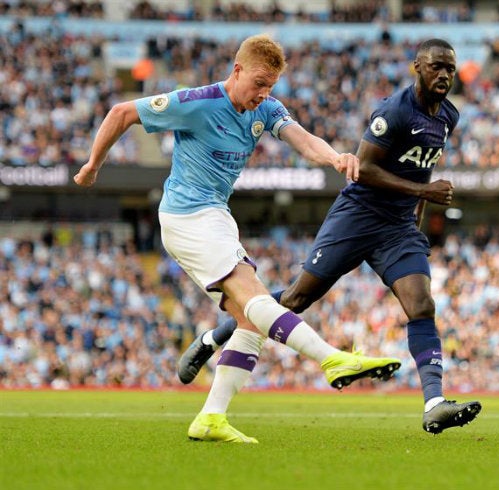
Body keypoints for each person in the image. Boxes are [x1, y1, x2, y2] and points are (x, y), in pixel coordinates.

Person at [74, 34, 401, 443]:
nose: (263, 94)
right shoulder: (197, 102)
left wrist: (334, 157)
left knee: (250, 319)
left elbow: (302, 138)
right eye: (259, 83)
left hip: (216, 217)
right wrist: (92, 165)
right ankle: (331, 358)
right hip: (188, 217)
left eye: (271, 87)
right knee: (255, 297)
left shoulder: (265, 108)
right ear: (237, 70)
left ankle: (211, 418)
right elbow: (122, 112)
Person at [179, 38, 482, 434]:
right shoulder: (393, 111)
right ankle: (215, 335)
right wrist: (424, 193)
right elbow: (365, 170)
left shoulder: (448, 116)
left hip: (398, 228)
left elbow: (420, 172)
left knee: (422, 305)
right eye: (435, 66)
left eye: (450, 69)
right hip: (357, 216)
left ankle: (434, 403)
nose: (444, 74)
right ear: (416, 67)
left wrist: (416, 218)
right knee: (295, 299)